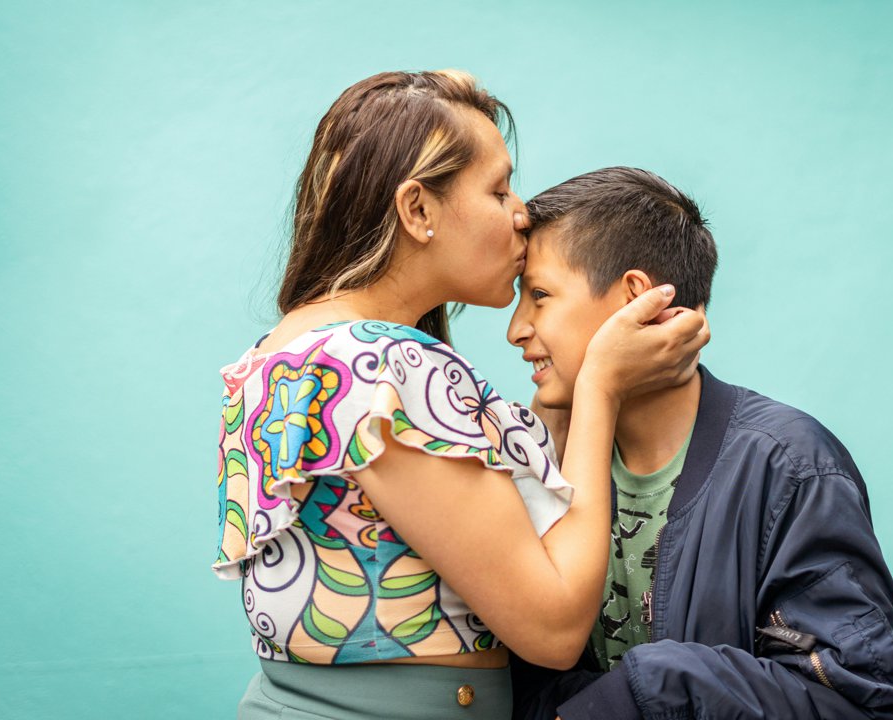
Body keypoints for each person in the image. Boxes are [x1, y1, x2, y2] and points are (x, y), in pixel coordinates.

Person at [212, 72, 709, 719]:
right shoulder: (385, 370)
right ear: (417, 210)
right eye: (498, 189)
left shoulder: (286, 350)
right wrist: (599, 388)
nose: (521, 212)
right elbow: (556, 628)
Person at [507, 167, 893, 720]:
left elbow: (868, 703)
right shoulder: (550, 456)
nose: (515, 328)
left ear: (635, 299)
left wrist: (647, 690)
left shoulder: (791, 465)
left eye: (539, 295)